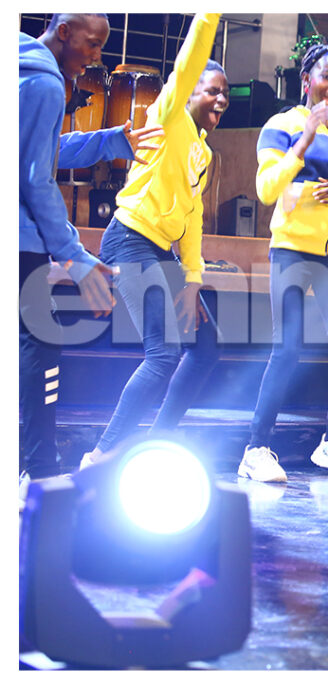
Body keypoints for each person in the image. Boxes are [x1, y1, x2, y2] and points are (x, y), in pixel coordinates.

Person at [79, 13, 227, 468]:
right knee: (163, 355)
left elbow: (194, 216)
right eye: (213, 90)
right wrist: (210, 15)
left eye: (225, 93)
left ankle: (157, 441)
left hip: (161, 250)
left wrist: (194, 278)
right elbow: (188, 61)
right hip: (129, 239)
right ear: (190, 92)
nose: (222, 99)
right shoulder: (169, 115)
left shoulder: (203, 152)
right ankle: (100, 455)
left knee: (206, 348)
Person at [19, 13, 162, 478]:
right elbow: (36, 179)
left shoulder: (19, 62)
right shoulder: (45, 84)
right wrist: (75, 255)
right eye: (93, 44)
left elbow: (46, 149)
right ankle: (39, 470)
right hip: (19, 240)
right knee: (39, 343)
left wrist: (109, 141)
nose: (97, 56)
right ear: (63, 32)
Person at [237, 43, 328, 483]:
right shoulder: (280, 126)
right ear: (306, 80)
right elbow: (266, 189)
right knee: (287, 350)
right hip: (292, 249)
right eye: (327, 76)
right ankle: (256, 449)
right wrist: (305, 139)